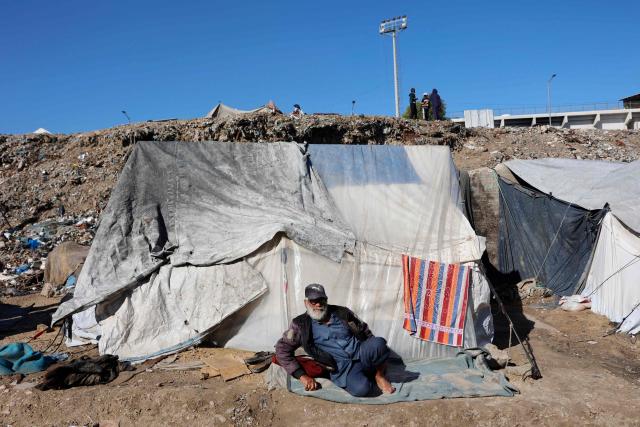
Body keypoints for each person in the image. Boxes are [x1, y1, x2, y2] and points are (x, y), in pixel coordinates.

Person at [275, 283, 396, 397]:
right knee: (362, 389)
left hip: (361, 352)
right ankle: (366, 375)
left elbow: (364, 330)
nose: (318, 304)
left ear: (326, 300)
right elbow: (281, 350)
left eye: (321, 300)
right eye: (314, 301)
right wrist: (302, 376)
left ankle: (379, 375)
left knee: (379, 343)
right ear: (306, 302)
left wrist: (377, 356)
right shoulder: (301, 325)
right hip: (342, 368)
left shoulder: (342, 313)